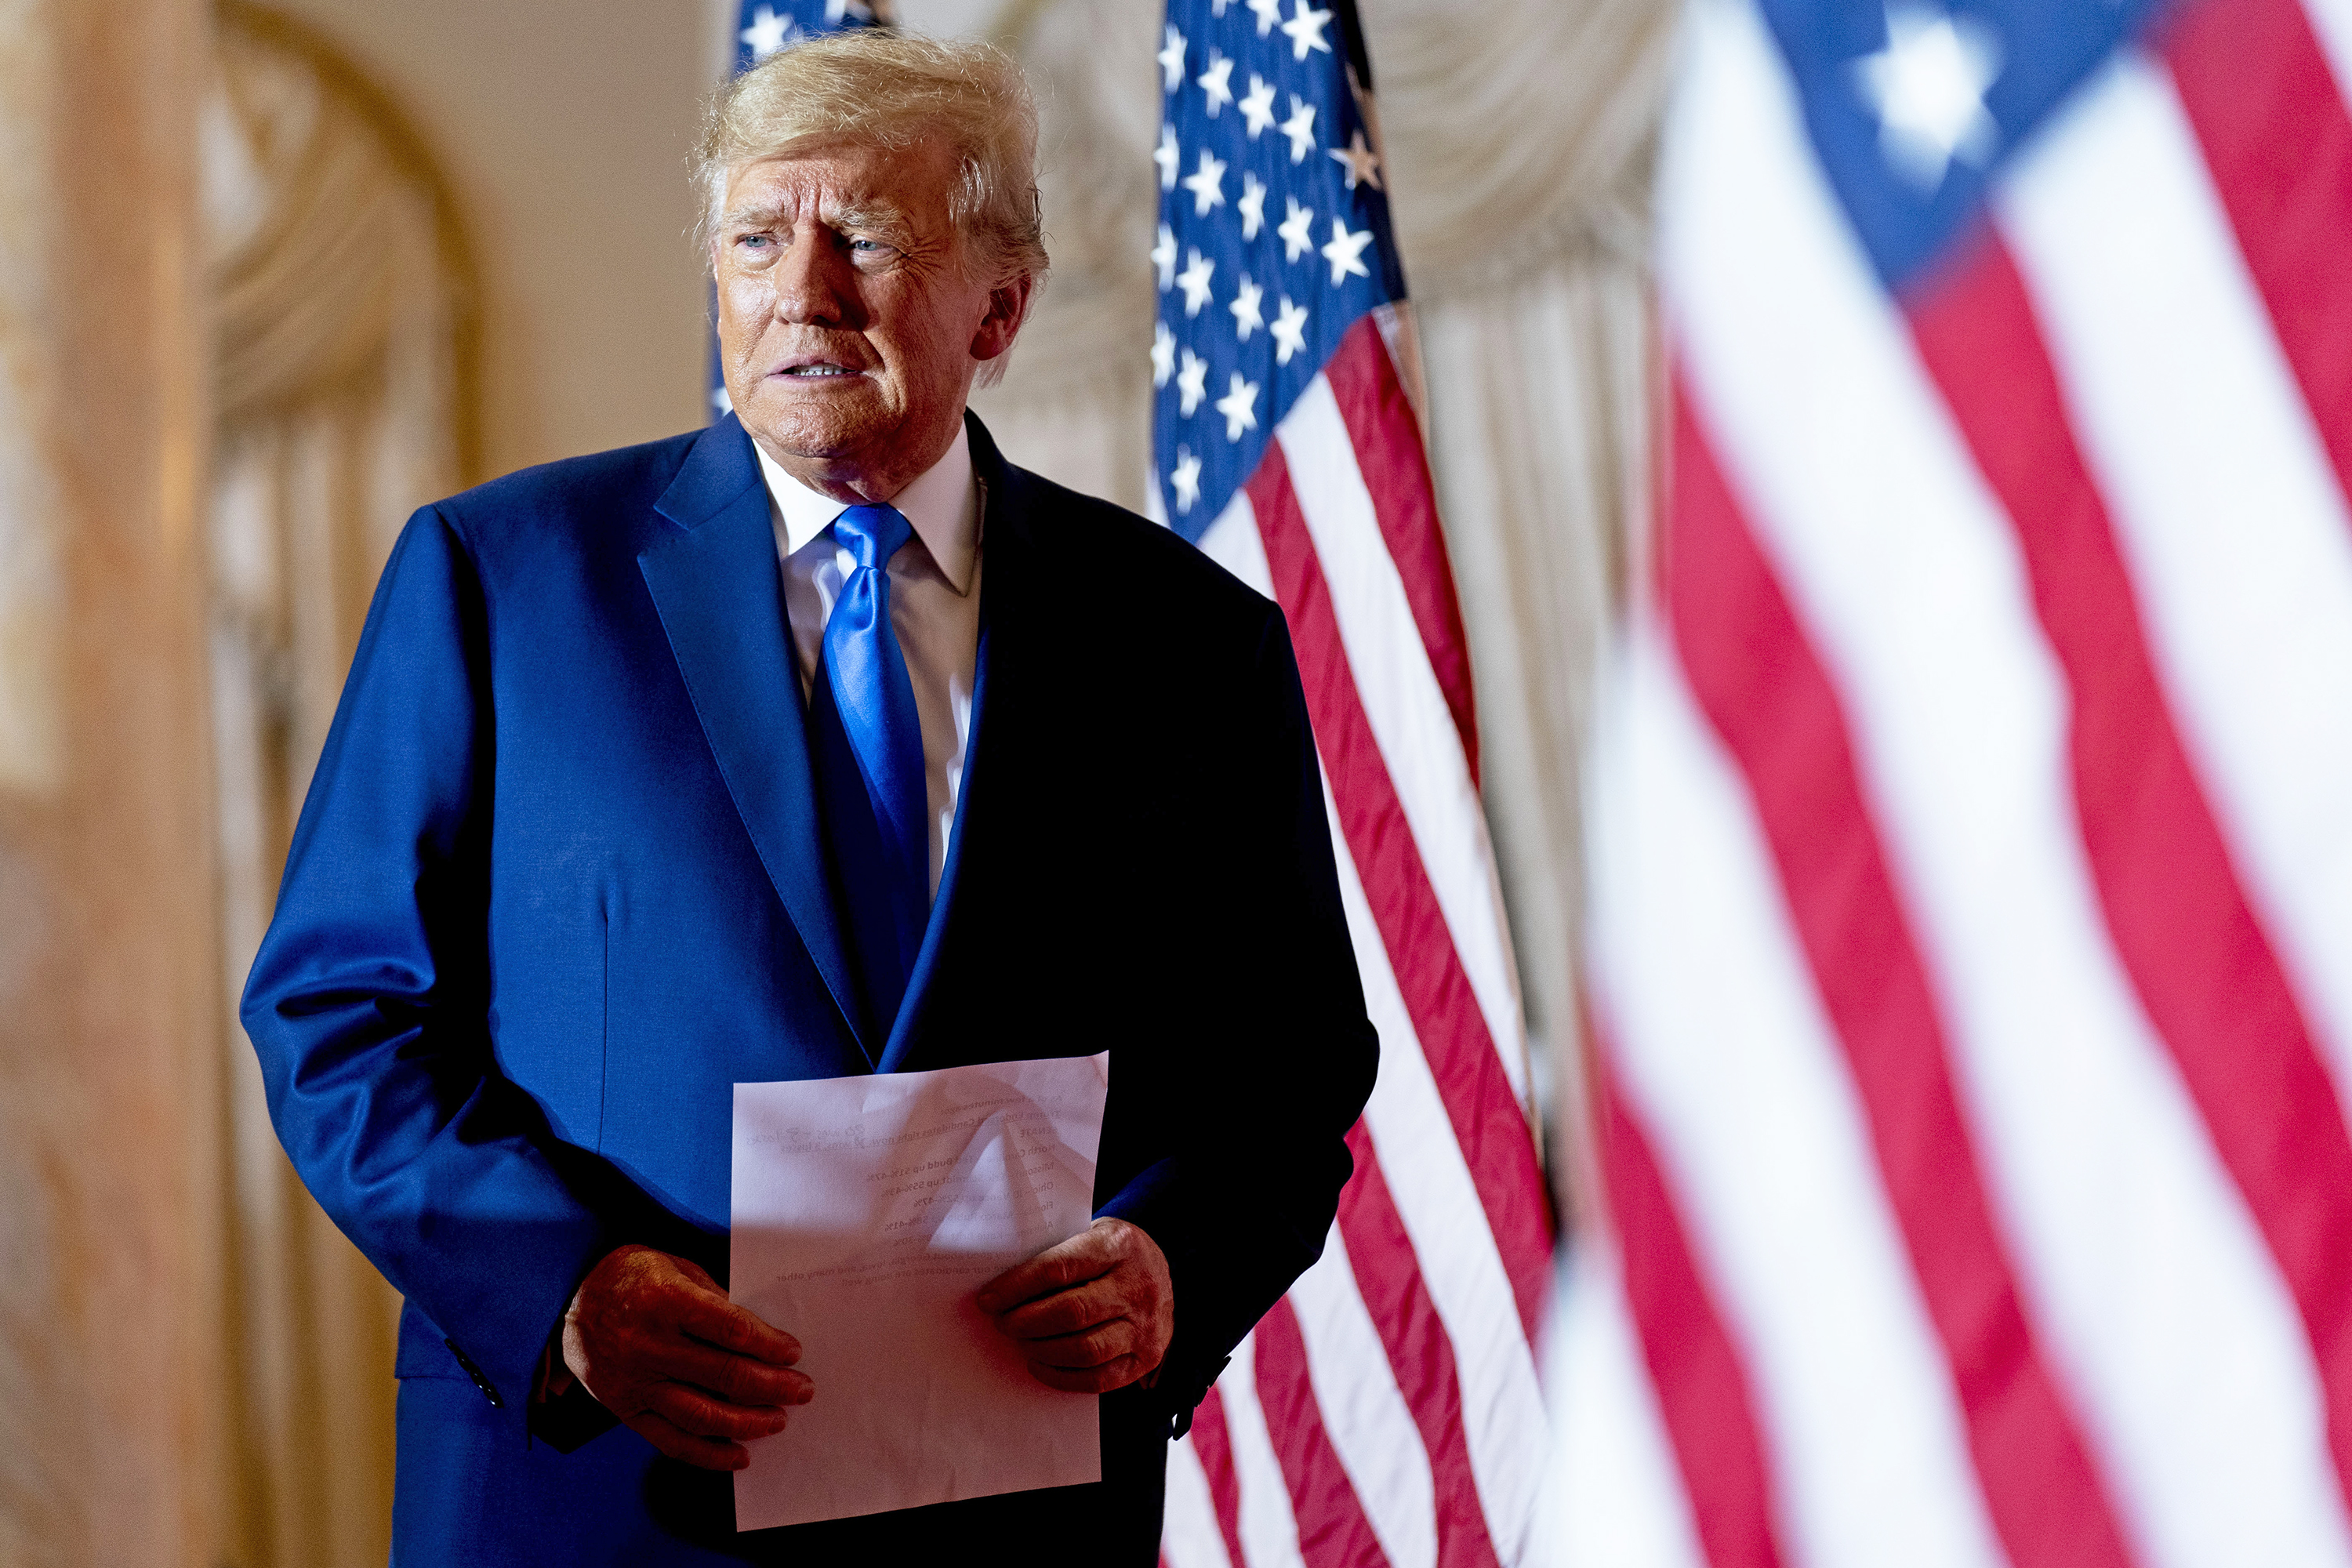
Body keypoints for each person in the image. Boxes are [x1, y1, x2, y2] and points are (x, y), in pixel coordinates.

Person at [243, 27, 1377, 1566]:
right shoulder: (500, 584)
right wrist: (563, 1291)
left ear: (1003, 303)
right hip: (596, 1496)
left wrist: (1176, 1259)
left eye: (869, 238)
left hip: (1013, 1508)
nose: (804, 293)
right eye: (759, 237)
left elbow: (1286, 1065)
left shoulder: (1187, 641)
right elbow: (337, 1013)